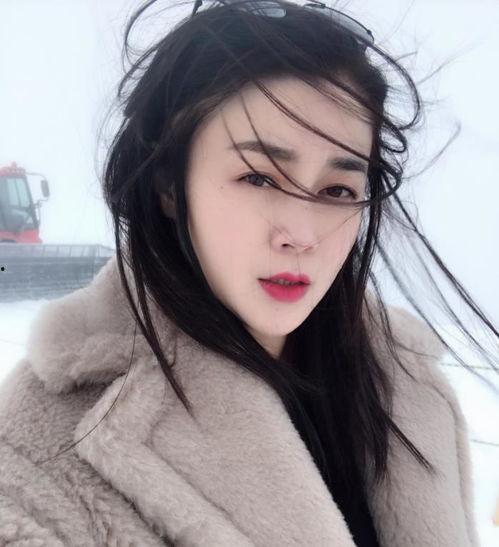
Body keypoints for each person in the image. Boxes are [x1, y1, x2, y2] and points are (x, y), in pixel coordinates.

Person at [0, 1, 494, 545]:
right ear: (168, 184)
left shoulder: (407, 383)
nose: (302, 234)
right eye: (259, 178)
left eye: (337, 189)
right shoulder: (35, 458)